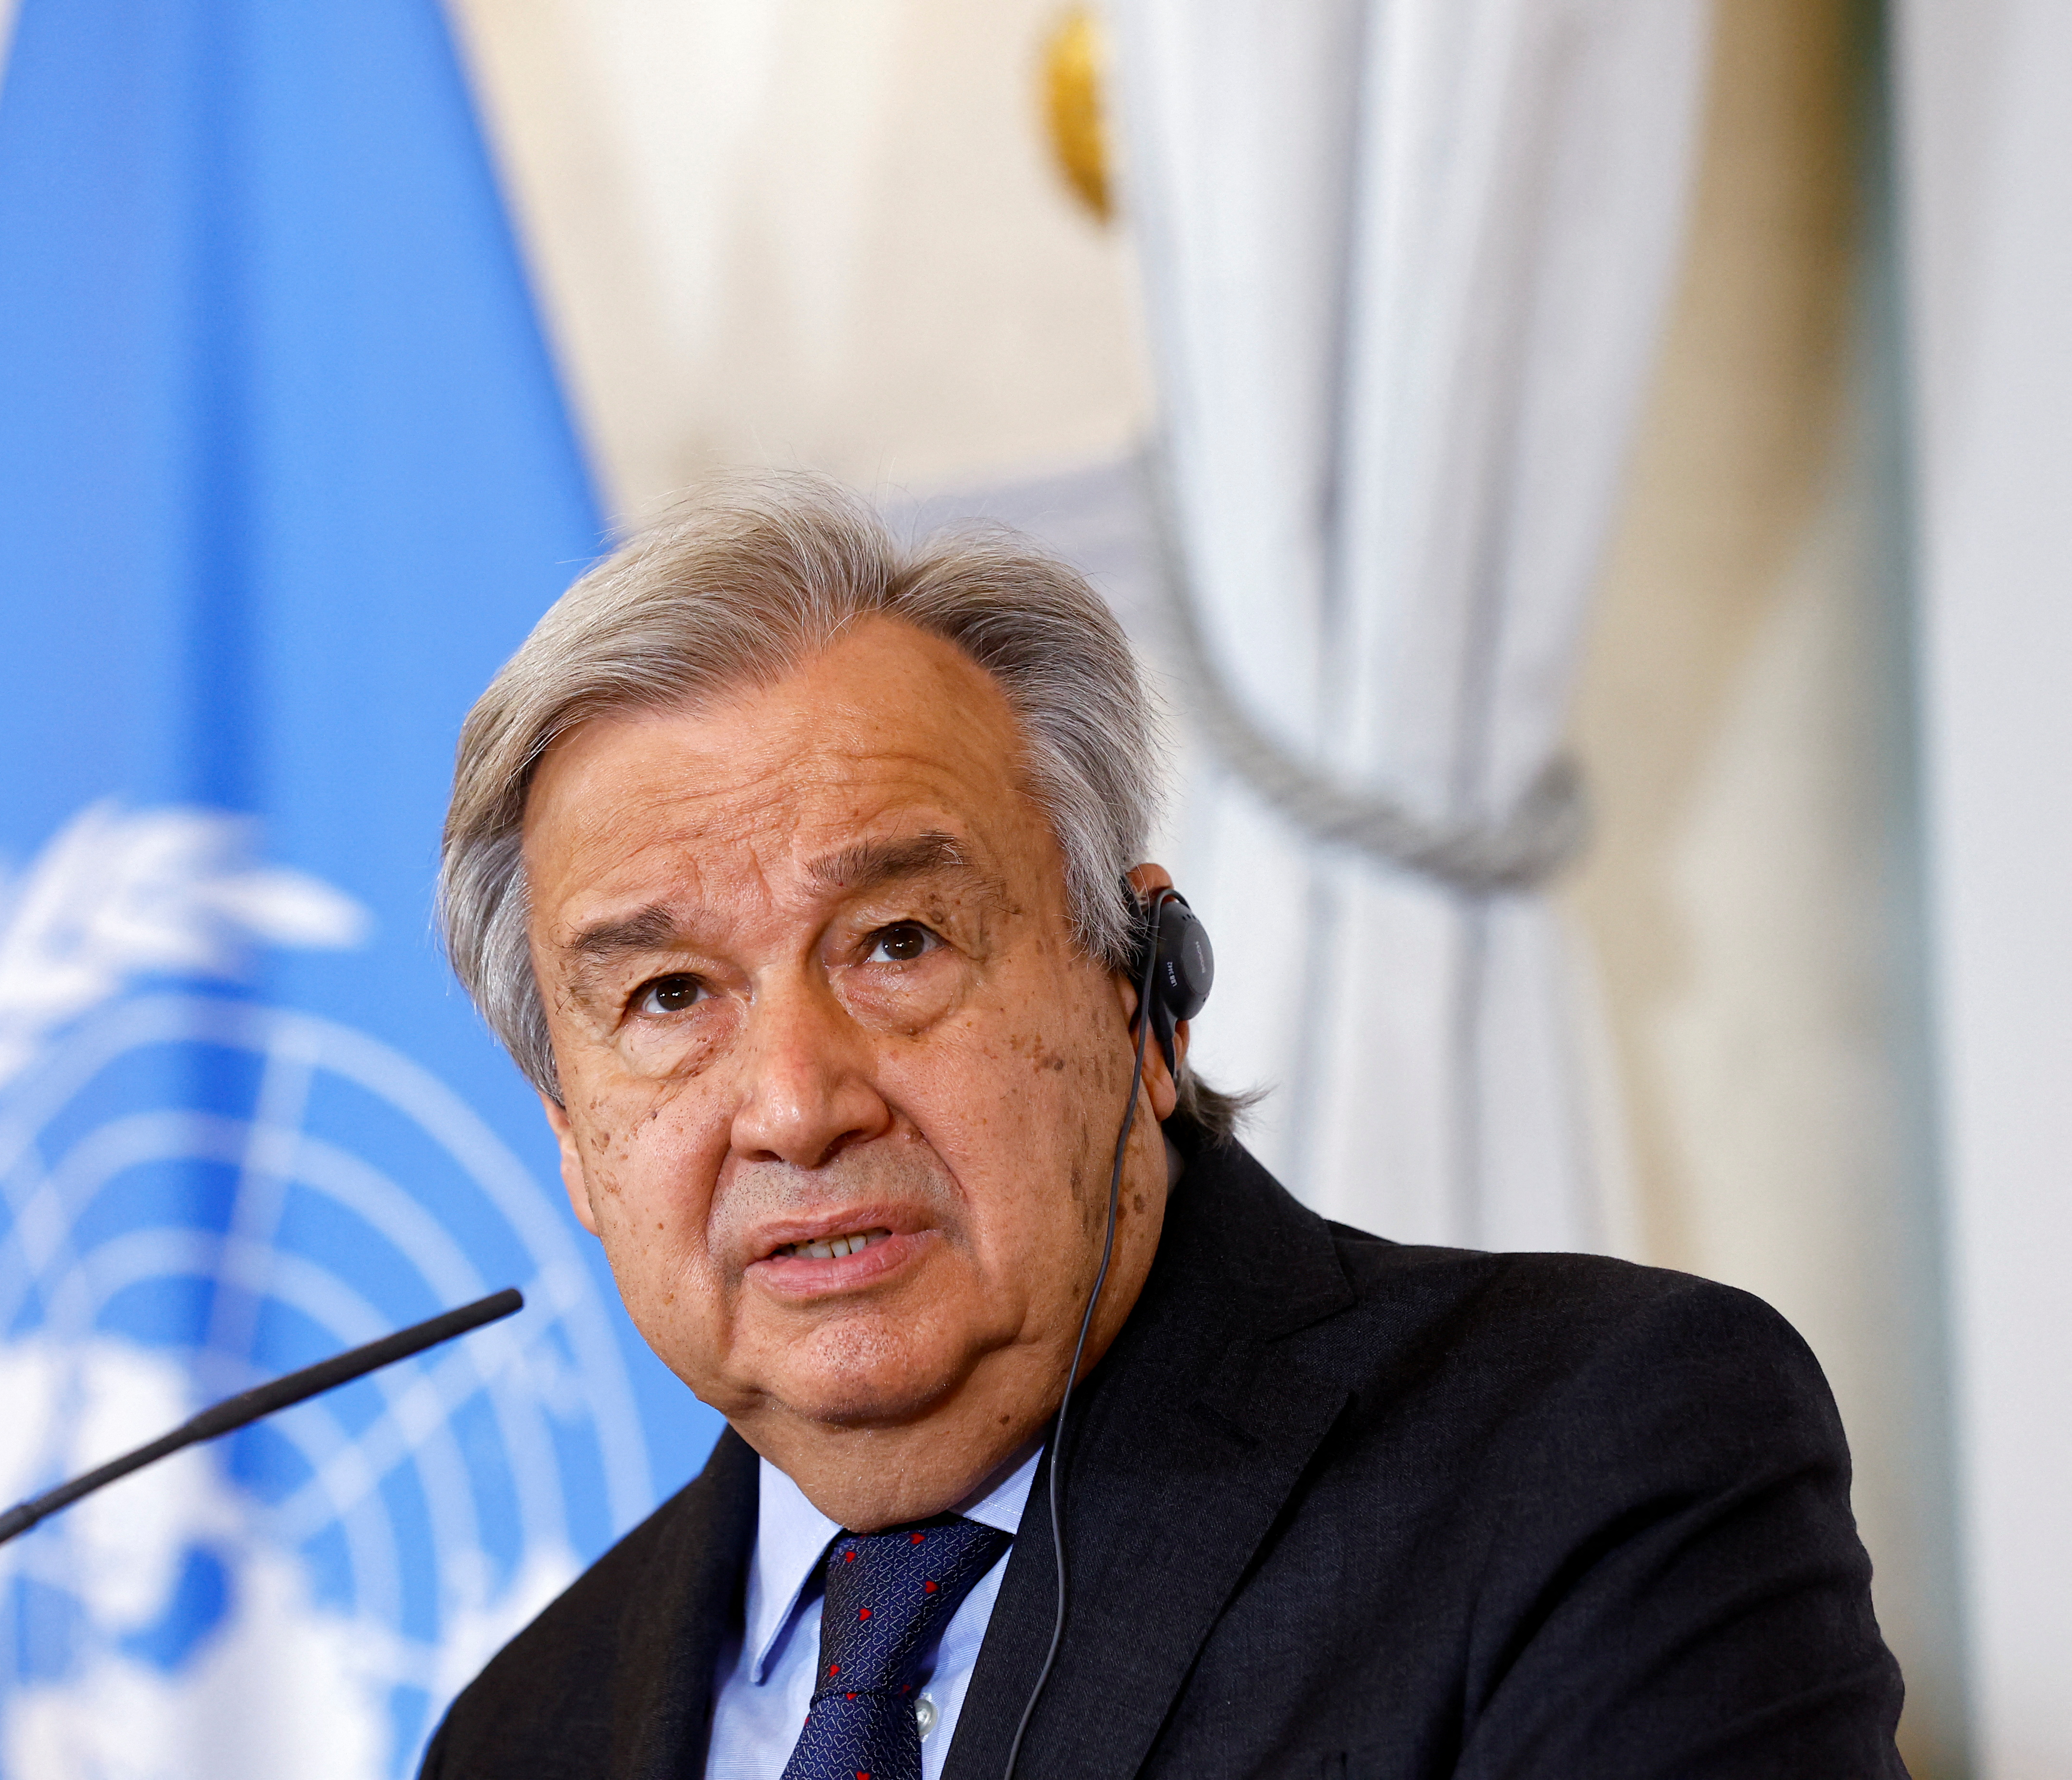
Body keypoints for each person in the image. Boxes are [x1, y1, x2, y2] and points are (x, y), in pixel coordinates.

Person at [418, 475, 1906, 1780]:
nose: (797, 1108)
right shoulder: (516, 1729)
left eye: (898, 944)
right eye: (669, 995)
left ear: (1143, 998)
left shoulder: (1589, 1459)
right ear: (569, 1132)